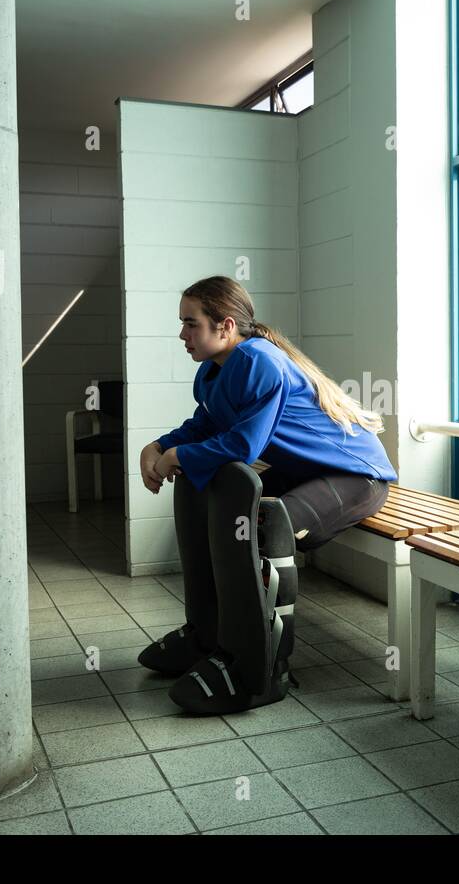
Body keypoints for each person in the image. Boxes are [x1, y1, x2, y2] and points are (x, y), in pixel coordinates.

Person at [136, 275, 397, 714]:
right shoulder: (213, 371)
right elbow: (205, 426)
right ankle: (208, 635)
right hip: (304, 475)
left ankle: (261, 667)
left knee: (263, 526)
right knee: (221, 504)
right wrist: (159, 446)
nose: (182, 334)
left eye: (190, 323)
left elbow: (242, 447)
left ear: (225, 325)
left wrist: (177, 454)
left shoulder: (259, 361)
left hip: (355, 478)